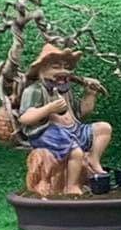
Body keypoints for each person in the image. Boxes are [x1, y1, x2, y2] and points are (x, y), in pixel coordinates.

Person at [15, 43, 111, 196]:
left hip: (74, 130)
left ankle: (93, 159)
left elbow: (81, 112)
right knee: (76, 153)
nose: (64, 71)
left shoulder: (66, 91)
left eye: (67, 68)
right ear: (41, 69)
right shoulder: (34, 90)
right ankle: (71, 186)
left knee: (104, 128)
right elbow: (25, 118)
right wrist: (49, 109)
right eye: (56, 67)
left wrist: (90, 94)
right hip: (48, 133)